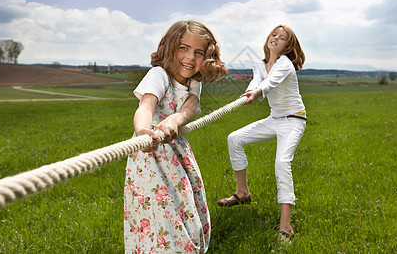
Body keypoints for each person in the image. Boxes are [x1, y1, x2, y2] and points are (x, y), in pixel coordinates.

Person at [124, 20, 227, 253]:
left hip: (177, 152)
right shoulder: (158, 75)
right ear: (169, 47)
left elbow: (191, 107)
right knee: (160, 213)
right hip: (150, 156)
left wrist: (175, 120)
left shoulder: (193, 82)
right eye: (183, 48)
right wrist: (142, 131)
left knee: (187, 206)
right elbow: (146, 106)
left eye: (198, 52)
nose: (190, 58)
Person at [217, 24, 306, 242]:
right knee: (234, 139)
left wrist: (257, 92)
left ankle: (286, 226)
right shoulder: (260, 64)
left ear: (288, 45)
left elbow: (269, 83)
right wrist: (251, 90)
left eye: (282, 37)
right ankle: (242, 194)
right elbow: (257, 80)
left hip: (294, 120)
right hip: (274, 119)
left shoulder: (285, 64)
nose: (276, 38)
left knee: (282, 163)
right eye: (274, 34)